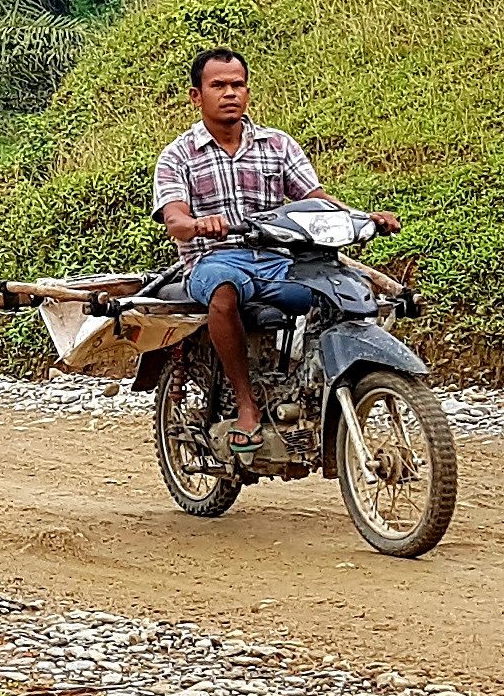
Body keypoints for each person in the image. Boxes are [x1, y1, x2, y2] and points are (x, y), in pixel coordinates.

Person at [151, 49, 392, 451]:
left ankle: (314, 384)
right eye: (218, 85)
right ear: (196, 96)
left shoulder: (277, 144)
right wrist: (197, 224)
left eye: (237, 84)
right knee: (223, 289)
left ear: (247, 91)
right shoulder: (178, 155)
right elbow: (174, 217)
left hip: (280, 261)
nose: (230, 93)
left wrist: (362, 217)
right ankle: (247, 405)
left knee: (339, 290)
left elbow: (315, 199)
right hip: (213, 259)